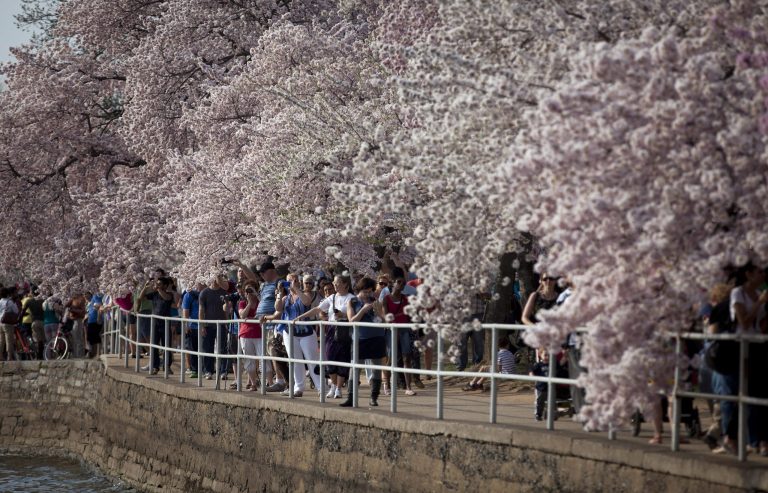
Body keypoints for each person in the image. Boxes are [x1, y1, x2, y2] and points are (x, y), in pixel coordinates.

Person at [728, 263, 767, 455]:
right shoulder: (738, 293)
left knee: (759, 391)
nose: (763, 275)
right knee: (749, 390)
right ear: (749, 274)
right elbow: (743, 322)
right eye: (759, 272)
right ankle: (733, 435)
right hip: (742, 347)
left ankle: (759, 440)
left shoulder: (760, 291)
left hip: (758, 344)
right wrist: (760, 302)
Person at [295, 274, 354, 399]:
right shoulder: (332, 297)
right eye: (334, 283)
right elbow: (317, 309)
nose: (335, 285)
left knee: (342, 359)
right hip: (331, 330)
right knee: (330, 358)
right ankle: (333, 385)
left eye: (337, 283)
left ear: (345, 284)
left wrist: (342, 314)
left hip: (344, 330)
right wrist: (302, 316)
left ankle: (338, 388)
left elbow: (351, 315)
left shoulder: (351, 298)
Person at [265, 274, 321, 397]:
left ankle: (321, 387)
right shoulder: (286, 298)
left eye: (294, 280)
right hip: (289, 332)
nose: (291, 283)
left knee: (312, 360)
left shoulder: (306, 294)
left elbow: (306, 302)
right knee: (295, 361)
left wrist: (296, 289)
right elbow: (277, 308)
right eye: (289, 281)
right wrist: (279, 294)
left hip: (306, 332)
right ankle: (298, 387)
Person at [383, 268, 417, 396]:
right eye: (399, 282)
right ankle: (387, 384)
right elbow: (387, 316)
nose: (401, 285)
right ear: (393, 283)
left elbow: (409, 315)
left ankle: (408, 386)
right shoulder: (386, 299)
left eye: (403, 283)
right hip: (392, 330)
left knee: (406, 357)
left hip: (404, 329)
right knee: (391, 358)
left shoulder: (405, 299)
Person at [256, 262, 288, 392]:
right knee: (271, 352)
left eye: (264, 272)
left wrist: (271, 317)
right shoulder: (264, 285)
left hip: (274, 323)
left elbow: (282, 302)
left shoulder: (279, 283)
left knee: (277, 352)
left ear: (271, 271)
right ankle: (279, 380)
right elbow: (252, 279)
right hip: (265, 323)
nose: (262, 275)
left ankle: (281, 381)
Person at [138, 277, 175, 375]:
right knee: (154, 345)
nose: (157, 285)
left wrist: (158, 288)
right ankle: (155, 366)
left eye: (160, 284)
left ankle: (167, 366)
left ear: (165, 286)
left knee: (166, 345)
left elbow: (166, 298)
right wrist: (145, 288)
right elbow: (141, 298)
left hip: (165, 323)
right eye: (157, 283)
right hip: (155, 323)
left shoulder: (169, 294)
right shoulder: (154, 294)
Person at [198, 274, 230, 380]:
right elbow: (201, 310)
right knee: (207, 348)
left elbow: (227, 308)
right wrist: (202, 325)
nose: (217, 280)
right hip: (208, 324)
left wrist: (227, 322)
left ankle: (223, 371)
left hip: (221, 324)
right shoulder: (204, 293)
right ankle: (208, 370)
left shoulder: (223, 292)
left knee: (222, 347)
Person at [237, 280, 263, 391]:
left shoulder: (260, 302)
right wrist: (249, 303)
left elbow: (264, 311)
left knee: (263, 358)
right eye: (247, 290)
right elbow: (242, 315)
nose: (249, 292)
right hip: (246, 334)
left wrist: (256, 295)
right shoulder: (242, 303)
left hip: (260, 333)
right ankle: (253, 383)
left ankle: (269, 382)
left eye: (251, 290)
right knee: (249, 360)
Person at [181, 281, 204, 378]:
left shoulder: (206, 292)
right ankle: (195, 369)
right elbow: (185, 311)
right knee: (193, 348)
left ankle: (204, 369)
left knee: (204, 348)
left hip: (205, 325)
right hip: (193, 326)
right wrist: (186, 325)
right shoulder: (188, 295)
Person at [0, 287, 19, 361]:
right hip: (7, 323)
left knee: (1, 340)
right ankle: (9, 356)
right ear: (8, 294)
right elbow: (16, 311)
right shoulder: (9, 302)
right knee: (9, 340)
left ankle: (0, 356)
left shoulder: (0, 301)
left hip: (0, 322)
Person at [85, 292, 104, 358]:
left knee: (96, 338)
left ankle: (97, 353)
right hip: (91, 320)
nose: (85, 296)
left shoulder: (96, 296)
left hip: (95, 320)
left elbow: (100, 305)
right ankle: (93, 353)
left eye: (86, 294)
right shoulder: (90, 301)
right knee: (91, 338)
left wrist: (98, 317)